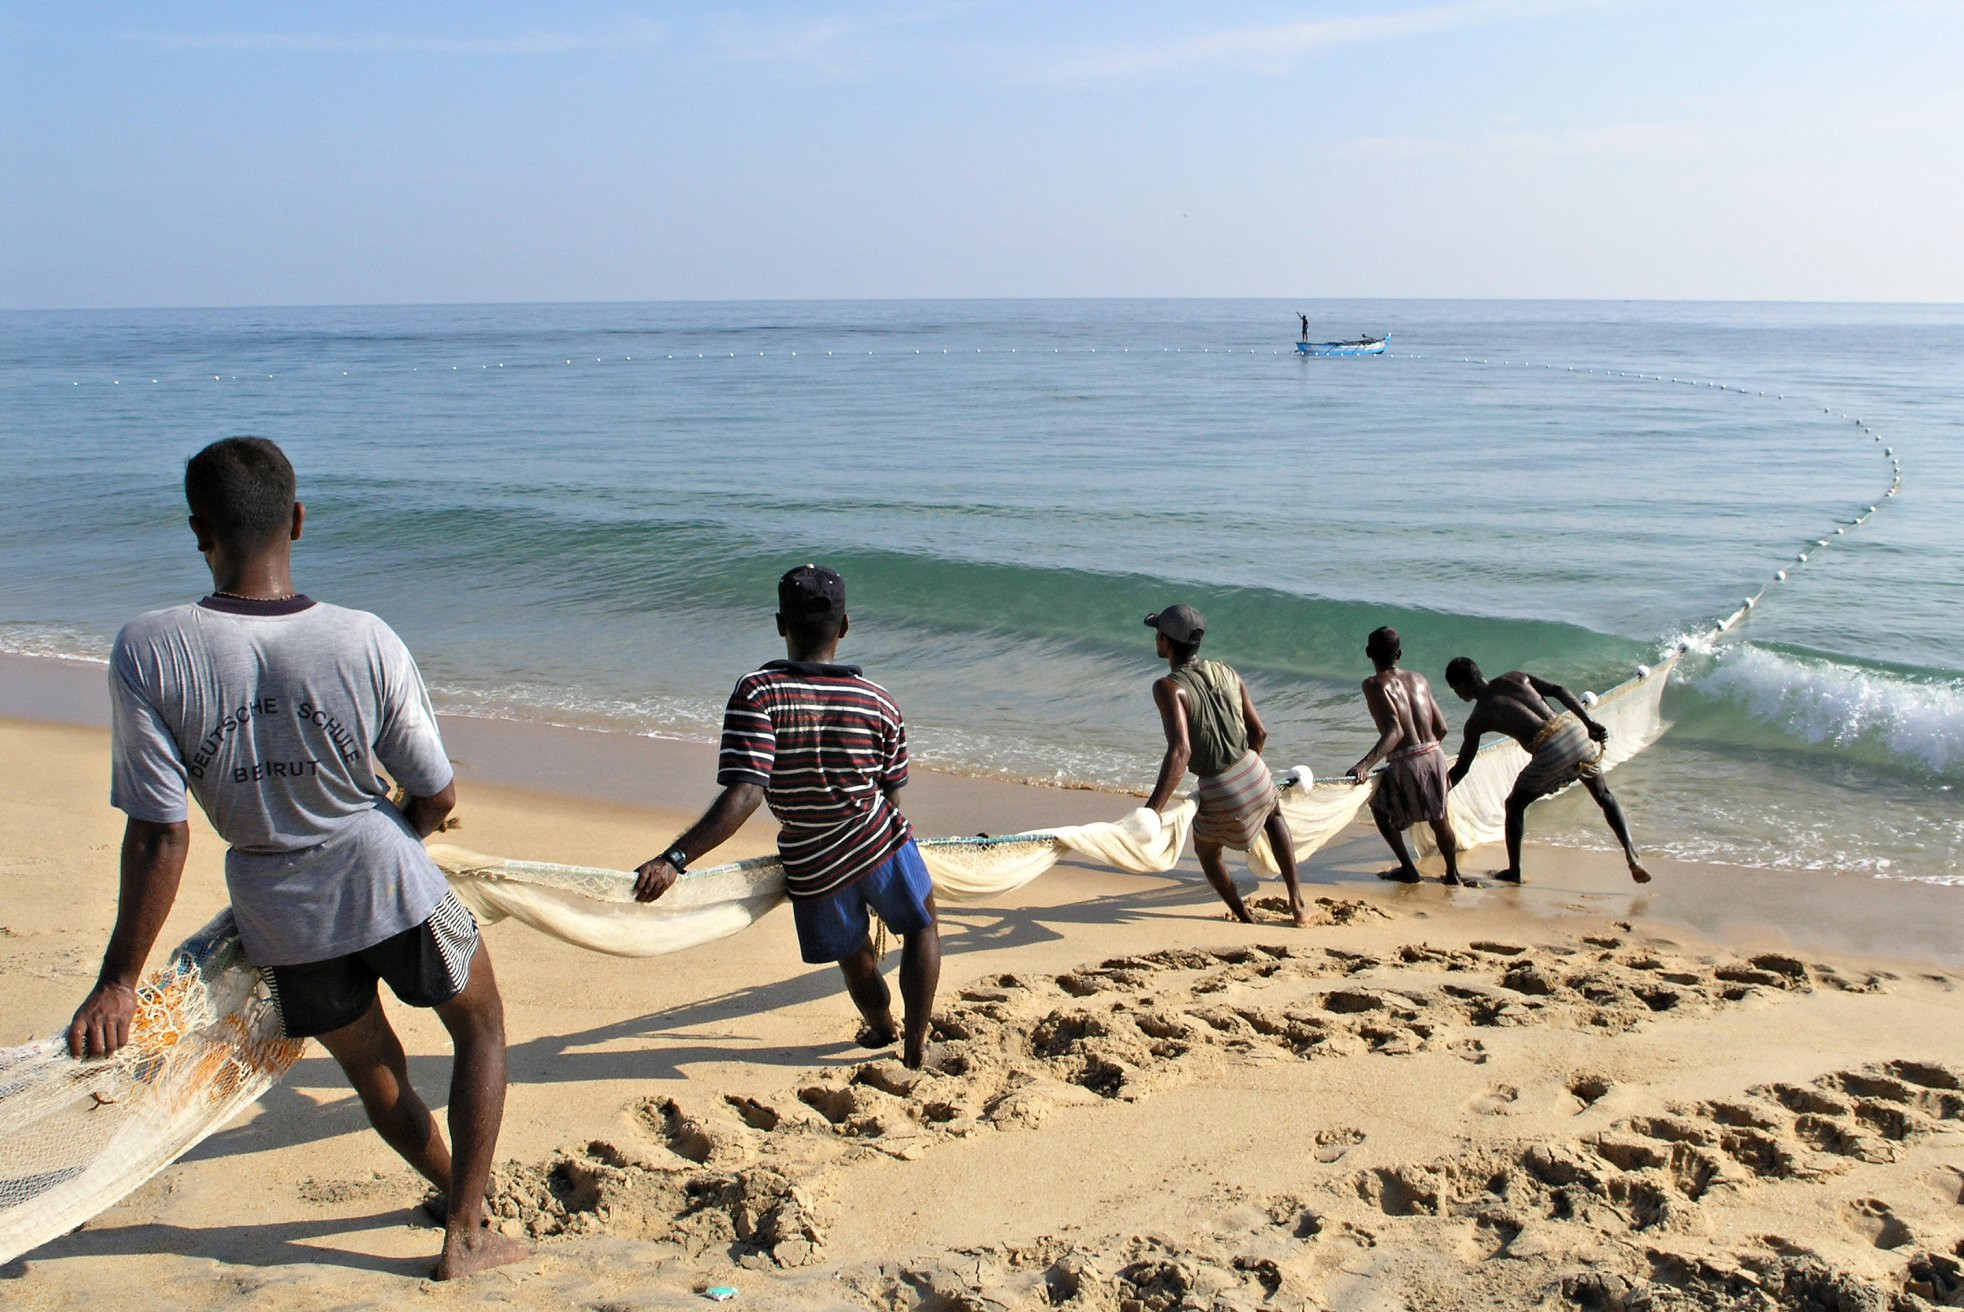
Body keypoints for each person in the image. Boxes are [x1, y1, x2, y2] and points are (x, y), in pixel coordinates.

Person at [66, 437, 524, 1280]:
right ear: (299, 520)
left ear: (200, 531)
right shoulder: (363, 638)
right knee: (482, 1025)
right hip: (392, 879)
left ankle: (459, 1194)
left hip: (281, 911)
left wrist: (120, 980)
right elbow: (436, 790)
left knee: (376, 1069)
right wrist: (402, 827)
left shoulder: (149, 650)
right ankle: (466, 1227)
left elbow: (160, 830)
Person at [633, 565, 941, 1069]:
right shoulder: (879, 700)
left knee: (853, 953)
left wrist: (675, 858)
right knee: (922, 926)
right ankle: (914, 1044)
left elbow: (746, 793)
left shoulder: (758, 693)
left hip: (811, 861)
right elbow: (893, 794)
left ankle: (881, 1027)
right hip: (876, 841)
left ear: (781, 624)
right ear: (845, 627)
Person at [1143, 605, 1306, 926]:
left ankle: (1245, 916)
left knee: (1207, 852)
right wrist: (1248, 772)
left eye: (1158, 633)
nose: (1157, 639)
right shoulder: (1228, 671)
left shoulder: (1168, 687)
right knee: (1273, 817)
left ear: (1166, 641)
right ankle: (1297, 899)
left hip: (1218, 785)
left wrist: (1152, 811)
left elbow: (1180, 752)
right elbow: (1259, 732)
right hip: (1255, 771)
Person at [1443, 656, 1651, 885]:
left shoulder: (1478, 718)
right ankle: (1631, 855)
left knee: (1514, 805)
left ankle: (1514, 871)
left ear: (1462, 686)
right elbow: (1559, 690)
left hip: (1550, 750)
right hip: (1574, 734)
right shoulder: (1515, 677)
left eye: (1454, 688)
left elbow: (1462, 767)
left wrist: (1438, 791)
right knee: (1604, 795)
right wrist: (1589, 723)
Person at [1346, 627, 1463, 885]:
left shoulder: (1373, 684)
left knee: (1378, 805)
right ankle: (1453, 873)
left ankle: (1409, 868)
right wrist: (1426, 752)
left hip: (1407, 761)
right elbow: (1442, 727)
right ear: (1399, 653)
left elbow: (1395, 731)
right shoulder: (1419, 679)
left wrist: (1364, 765)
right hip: (1435, 754)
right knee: (1439, 820)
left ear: (1368, 653)